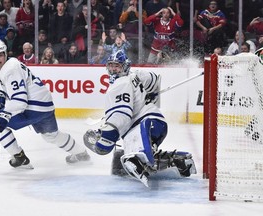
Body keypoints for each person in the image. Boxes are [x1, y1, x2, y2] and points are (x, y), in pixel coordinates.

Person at [83, 50, 196, 186]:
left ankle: (139, 161)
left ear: (125, 66)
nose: (113, 69)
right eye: (111, 65)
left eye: (117, 66)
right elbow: (154, 79)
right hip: (156, 123)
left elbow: (122, 116)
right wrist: (151, 95)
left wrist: (106, 139)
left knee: (136, 154)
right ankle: (178, 161)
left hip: (146, 124)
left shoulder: (120, 84)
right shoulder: (135, 74)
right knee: (121, 161)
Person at [0, 39, 90, 168]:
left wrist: (4, 114)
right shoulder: (7, 66)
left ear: (6, 54)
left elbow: (20, 101)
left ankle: (19, 157)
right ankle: (81, 153)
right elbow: (3, 86)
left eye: (0, 55)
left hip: (32, 108)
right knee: (51, 136)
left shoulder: (10, 68)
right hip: (45, 107)